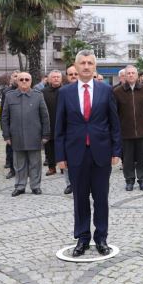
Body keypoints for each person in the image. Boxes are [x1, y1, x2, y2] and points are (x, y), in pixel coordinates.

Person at [55, 50, 121, 257]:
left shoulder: (105, 90)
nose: (85, 66)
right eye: (82, 63)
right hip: (75, 153)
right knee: (80, 198)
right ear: (75, 66)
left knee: (101, 198)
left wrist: (116, 150)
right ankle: (82, 238)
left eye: (89, 63)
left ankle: (101, 238)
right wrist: (60, 156)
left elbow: (114, 123)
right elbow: (60, 127)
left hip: (101, 152)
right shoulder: (65, 93)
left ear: (95, 67)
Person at [2, 71, 50, 196]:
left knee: (35, 163)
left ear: (31, 81)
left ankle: (35, 186)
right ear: (17, 81)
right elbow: (4, 117)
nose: (24, 81)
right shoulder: (9, 96)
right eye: (21, 79)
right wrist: (6, 135)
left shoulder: (38, 96)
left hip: (35, 136)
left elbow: (45, 117)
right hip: (16, 136)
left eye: (26, 79)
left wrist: (45, 135)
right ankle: (20, 186)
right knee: (19, 164)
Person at [113, 64, 143, 191]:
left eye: (133, 73)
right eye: (128, 73)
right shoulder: (117, 92)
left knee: (142, 157)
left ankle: (142, 180)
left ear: (137, 75)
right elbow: (114, 113)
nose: (131, 75)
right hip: (125, 131)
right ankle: (129, 180)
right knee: (127, 158)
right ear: (125, 76)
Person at [42, 70, 63, 176]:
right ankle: (51, 167)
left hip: (63, 124)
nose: (56, 78)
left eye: (58, 77)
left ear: (61, 78)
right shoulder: (43, 92)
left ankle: (64, 167)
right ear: (49, 79)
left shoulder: (66, 90)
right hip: (49, 124)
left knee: (63, 147)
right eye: (54, 77)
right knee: (49, 148)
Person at [62, 65, 79, 195]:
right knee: (69, 161)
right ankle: (70, 184)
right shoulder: (64, 92)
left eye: (75, 73)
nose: (73, 76)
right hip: (69, 134)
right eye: (70, 74)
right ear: (67, 76)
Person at [1, 71, 19, 179]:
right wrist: (5, 129)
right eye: (15, 76)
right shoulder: (6, 92)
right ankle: (12, 169)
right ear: (11, 78)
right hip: (11, 125)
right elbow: (4, 111)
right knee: (11, 149)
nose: (17, 78)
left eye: (18, 76)